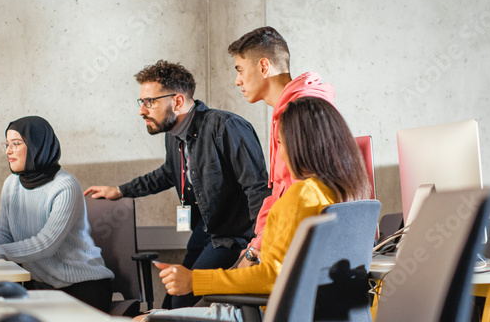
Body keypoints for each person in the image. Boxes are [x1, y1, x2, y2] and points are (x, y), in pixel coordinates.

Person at [83, 60, 269, 309]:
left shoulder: (226, 127)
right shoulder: (174, 137)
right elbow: (168, 173)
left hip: (234, 238)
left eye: (150, 102)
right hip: (203, 232)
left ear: (178, 101)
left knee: (182, 299)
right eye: (142, 102)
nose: (142, 111)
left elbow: (257, 189)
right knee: (171, 300)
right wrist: (120, 190)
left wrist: (258, 246)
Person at [153, 97, 370, 310]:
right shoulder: (345, 193)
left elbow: (272, 278)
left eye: (280, 143)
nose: (281, 155)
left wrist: (194, 281)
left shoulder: (301, 196)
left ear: (301, 146)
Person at [0, 116, 114, 311]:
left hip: (83, 286)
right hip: (42, 286)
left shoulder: (65, 185)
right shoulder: (11, 184)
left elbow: (46, 244)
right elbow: (3, 234)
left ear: (38, 145)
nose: (8, 151)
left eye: (16, 143)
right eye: (7, 144)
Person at [227, 27, 339, 268]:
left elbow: (300, 197)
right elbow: (279, 191)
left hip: (300, 250)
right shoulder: (286, 111)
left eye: (240, 71)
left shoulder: (300, 114)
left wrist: (256, 250)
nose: (237, 80)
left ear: (264, 67)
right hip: (288, 241)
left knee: (210, 292)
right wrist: (256, 244)